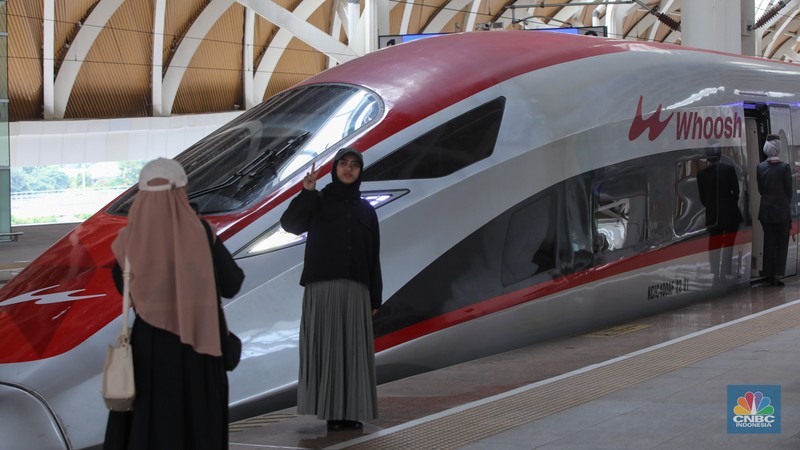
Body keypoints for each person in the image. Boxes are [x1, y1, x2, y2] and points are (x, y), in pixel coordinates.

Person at [103, 158, 244, 450]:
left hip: (149, 350)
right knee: (199, 427)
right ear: (181, 192)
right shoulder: (201, 232)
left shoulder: (127, 240)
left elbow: (123, 289)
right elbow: (232, 284)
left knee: (151, 425)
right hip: (200, 345)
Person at [280, 147, 382, 431]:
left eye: (355, 165)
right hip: (323, 288)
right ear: (335, 168)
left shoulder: (366, 210)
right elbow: (290, 225)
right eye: (343, 164)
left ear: (360, 172)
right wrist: (307, 192)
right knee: (329, 350)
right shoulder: (319, 200)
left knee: (353, 351)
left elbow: (373, 255)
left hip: (356, 290)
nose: (349, 169)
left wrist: (375, 298)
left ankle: (351, 412)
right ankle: (333, 413)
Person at [696, 147, 743, 283]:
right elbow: (736, 191)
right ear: (720, 155)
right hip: (730, 214)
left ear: (707, 157)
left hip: (712, 215)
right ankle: (725, 271)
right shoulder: (728, 170)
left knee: (714, 244)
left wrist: (712, 207)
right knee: (728, 244)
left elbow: (702, 198)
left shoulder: (701, 174)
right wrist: (730, 204)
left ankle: (715, 273)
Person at [757, 135, 793, 287]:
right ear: (778, 148)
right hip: (782, 211)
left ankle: (768, 272)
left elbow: (760, 189)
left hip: (766, 211)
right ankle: (777, 274)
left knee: (769, 242)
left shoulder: (760, 167)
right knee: (782, 243)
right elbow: (789, 190)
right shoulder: (784, 167)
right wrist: (784, 202)